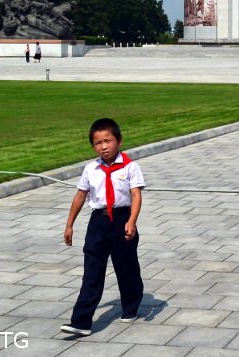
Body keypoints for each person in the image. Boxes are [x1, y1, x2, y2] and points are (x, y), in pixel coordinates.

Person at [60, 118, 145, 337]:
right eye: (98, 143)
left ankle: (131, 305)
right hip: (98, 222)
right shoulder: (91, 169)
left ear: (119, 141)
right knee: (92, 272)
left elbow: (136, 195)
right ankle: (81, 321)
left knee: (126, 268)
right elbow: (80, 195)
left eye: (108, 141)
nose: (103, 146)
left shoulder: (130, 167)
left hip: (122, 220)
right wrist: (69, 224)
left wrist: (132, 220)